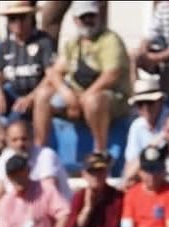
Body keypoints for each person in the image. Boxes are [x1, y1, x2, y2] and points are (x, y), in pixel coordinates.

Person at [30, 1, 128, 153]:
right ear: (76, 20)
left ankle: (100, 151)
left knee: (93, 101)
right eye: (84, 17)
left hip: (109, 98)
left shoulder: (110, 40)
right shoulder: (73, 43)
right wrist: (65, 92)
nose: (89, 20)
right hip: (76, 96)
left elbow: (111, 75)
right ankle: (40, 149)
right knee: (43, 95)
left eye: (91, 16)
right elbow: (55, 72)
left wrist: (84, 97)